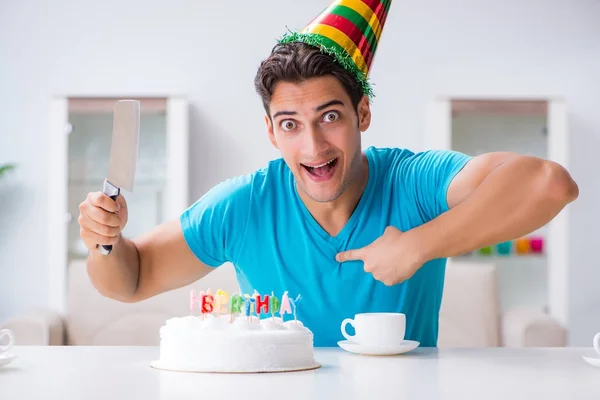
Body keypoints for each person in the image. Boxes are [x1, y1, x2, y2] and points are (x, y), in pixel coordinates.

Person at [78, 0, 578, 347]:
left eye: (330, 117)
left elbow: (549, 184)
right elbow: (131, 280)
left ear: (362, 114)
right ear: (272, 133)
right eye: (291, 124)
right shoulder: (244, 206)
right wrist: (104, 241)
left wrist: (416, 245)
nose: (313, 146)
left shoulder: (414, 183)